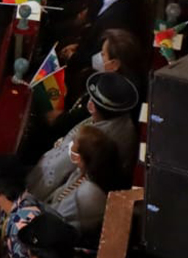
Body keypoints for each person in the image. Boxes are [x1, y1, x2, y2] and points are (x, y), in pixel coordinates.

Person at [28, 72, 138, 201]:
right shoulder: (126, 122)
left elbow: (55, 170)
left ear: (91, 107)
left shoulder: (92, 141)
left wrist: (29, 194)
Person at [43, 125, 122, 236]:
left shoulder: (89, 195)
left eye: (74, 150)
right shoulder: (84, 172)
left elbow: (55, 219)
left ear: (84, 159)